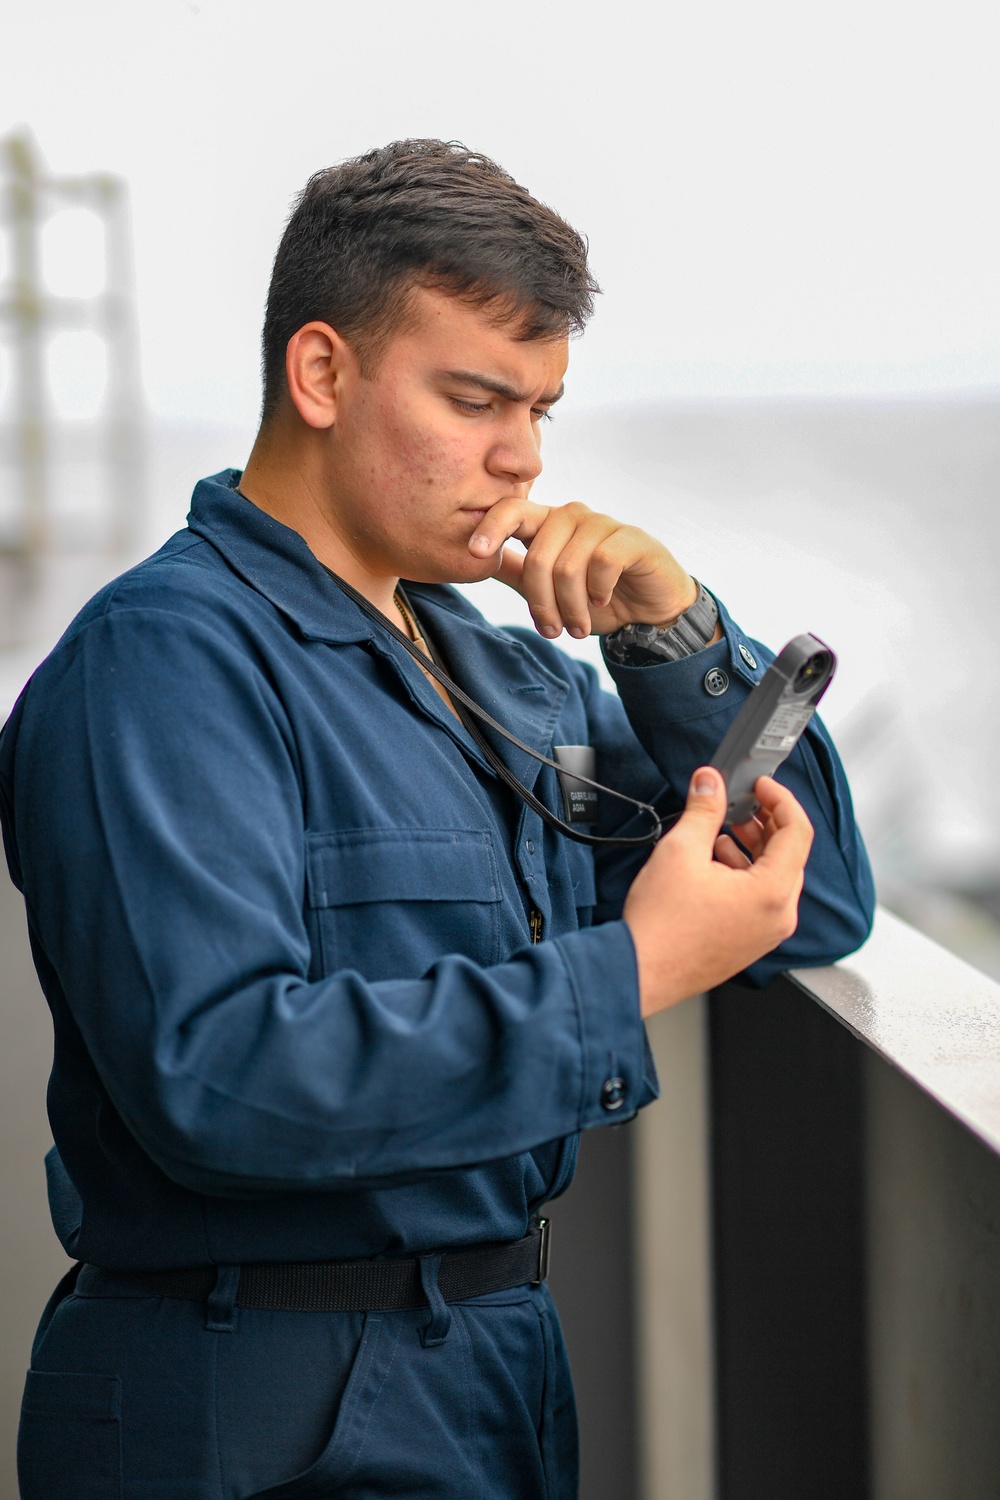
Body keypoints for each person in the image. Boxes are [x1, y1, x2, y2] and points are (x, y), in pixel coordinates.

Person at [0, 139, 873, 1499]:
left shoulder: (504, 674)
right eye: (475, 400)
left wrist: (672, 628)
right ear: (323, 374)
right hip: (256, 1397)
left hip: (494, 1364)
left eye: (539, 411)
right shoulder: (160, 664)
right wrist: (631, 970)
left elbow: (811, 905)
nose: (520, 460)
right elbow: (215, 1076)